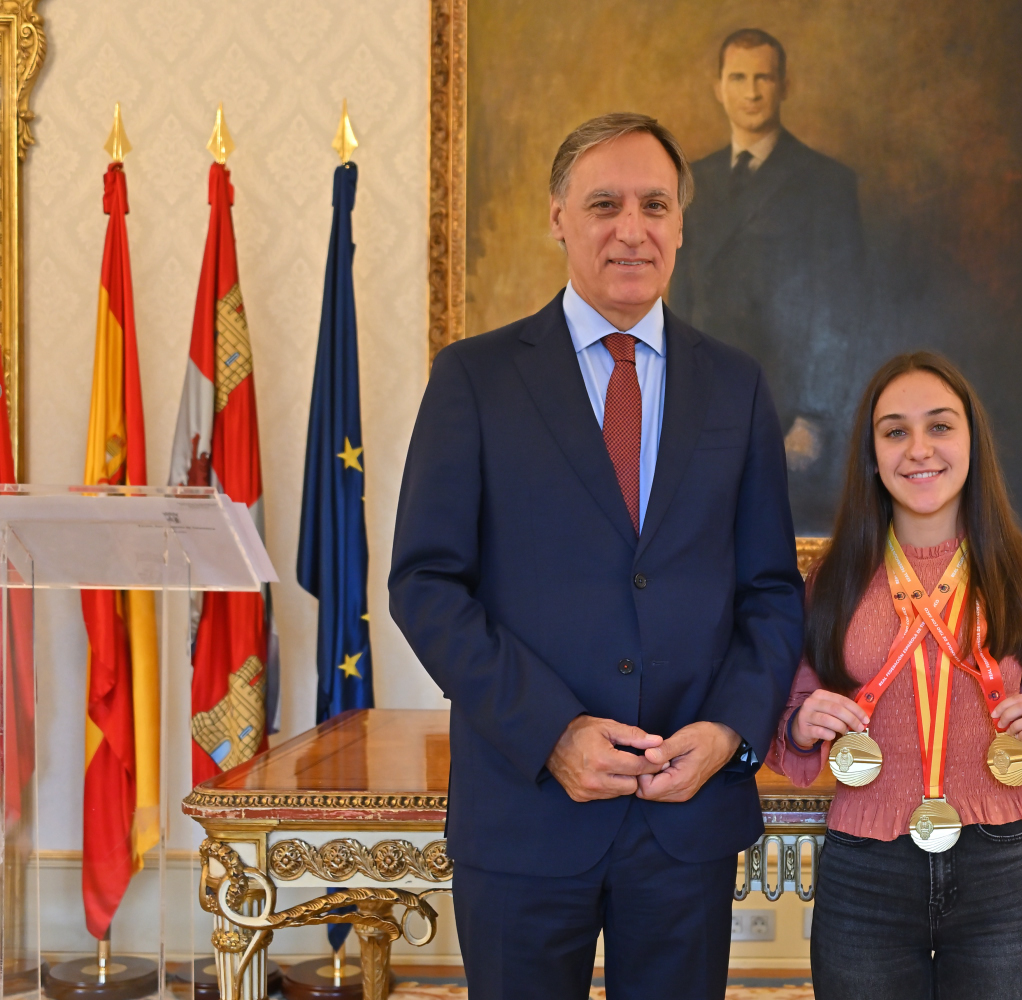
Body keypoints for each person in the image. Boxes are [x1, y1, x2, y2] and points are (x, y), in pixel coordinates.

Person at [389, 112, 804, 1000]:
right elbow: (426, 584)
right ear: (558, 218)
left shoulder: (736, 385)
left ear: (681, 225)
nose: (631, 227)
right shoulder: (476, 378)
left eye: (655, 204)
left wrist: (732, 731)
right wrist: (554, 734)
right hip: (526, 811)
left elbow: (771, 591)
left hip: (684, 816)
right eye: (604, 202)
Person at [767, 352, 1022, 1000]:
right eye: (895, 431)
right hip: (864, 871)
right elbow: (795, 723)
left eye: (940, 426)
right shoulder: (830, 580)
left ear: (972, 440)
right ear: (873, 452)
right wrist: (803, 723)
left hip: (998, 863)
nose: (919, 449)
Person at [671, 27, 864, 534]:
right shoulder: (690, 183)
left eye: (764, 78)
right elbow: (681, 304)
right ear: (718, 88)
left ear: (784, 86)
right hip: (704, 408)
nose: (751, 92)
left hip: (788, 415)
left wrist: (814, 419)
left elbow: (839, 316)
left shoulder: (827, 183)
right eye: (738, 78)